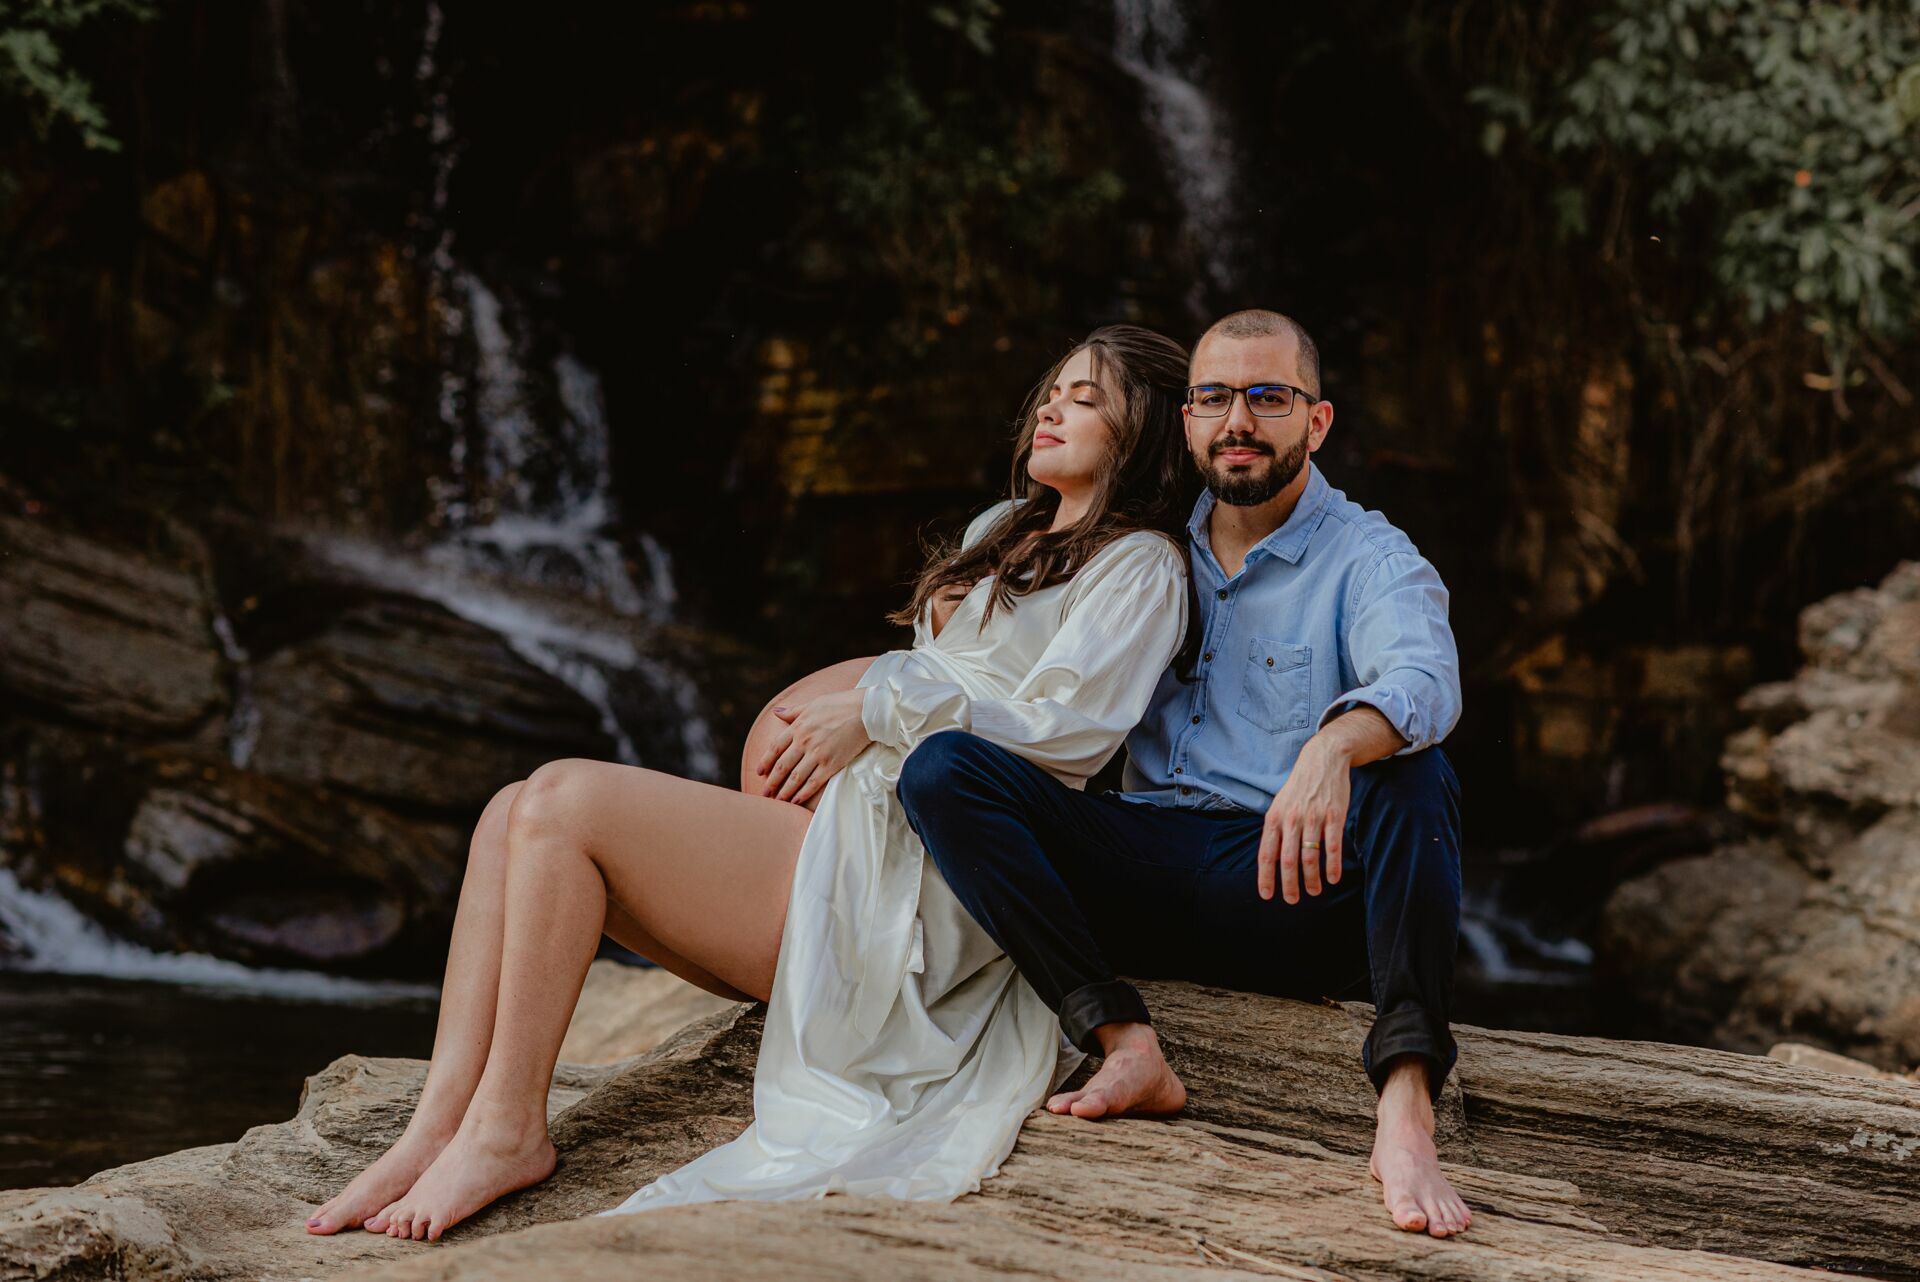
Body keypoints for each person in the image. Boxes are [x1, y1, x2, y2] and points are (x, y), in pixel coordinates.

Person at [302, 323, 1195, 1241]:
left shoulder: (1143, 566)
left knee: (562, 805)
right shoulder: (999, 532)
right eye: (1053, 390)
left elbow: (1069, 734)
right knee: (506, 812)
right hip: (857, 839)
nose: (1051, 405)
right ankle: (437, 1125)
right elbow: (943, 680)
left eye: (1086, 398)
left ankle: (507, 1130)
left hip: (923, 893)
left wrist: (872, 703)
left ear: (1145, 433)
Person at [752, 308, 1472, 1238]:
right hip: (1133, 868)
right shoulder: (1148, 538)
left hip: (1286, 884)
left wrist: (1334, 747)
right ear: (1184, 420)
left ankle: (1407, 1102)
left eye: (1268, 397)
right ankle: (1122, 1039)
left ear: (1317, 421)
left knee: (1416, 774)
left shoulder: (1368, 557)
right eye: (1213, 398)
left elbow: (1425, 677)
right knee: (944, 771)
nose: (1239, 421)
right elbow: (1039, 653)